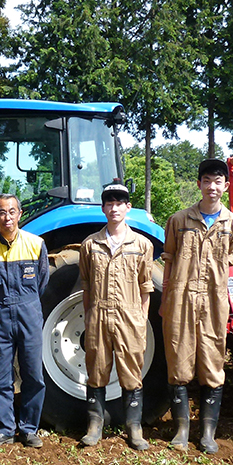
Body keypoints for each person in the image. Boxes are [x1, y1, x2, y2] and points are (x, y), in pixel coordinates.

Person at [161, 159, 233, 454]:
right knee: (179, 363)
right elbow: (169, 261)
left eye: (218, 181)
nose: (212, 186)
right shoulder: (178, 220)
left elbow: (232, 262)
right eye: (207, 180)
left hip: (213, 302)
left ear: (226, 186)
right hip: (181, 299)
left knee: (212, 364)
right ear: (199, 184)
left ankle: (207, 432)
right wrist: (167, 301)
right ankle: (182, 429)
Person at [79, 181, 154, 450]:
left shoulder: (142, 244)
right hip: (98, 315)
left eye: (119, 203)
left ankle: (134, 427)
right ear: (103, 208)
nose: (114, 208)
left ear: (128, 207)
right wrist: (89, 316)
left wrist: (141, 320)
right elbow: (86, 285)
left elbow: (146, 286)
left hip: (129, 317)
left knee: (131, 372)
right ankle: (94, 424)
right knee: (96, 370)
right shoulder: (90, 245)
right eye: (109, 203)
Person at [0, 194, 49, 448]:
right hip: (0, 314)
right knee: (0, 374)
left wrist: (24, 303)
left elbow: (41, 282)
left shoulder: (36, 244)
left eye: (12, 212)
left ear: (20, 214)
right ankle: (5, 429)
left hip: (29, 313)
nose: (7, 217)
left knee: (33, 373)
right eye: (2, 213)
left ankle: (29, 429)